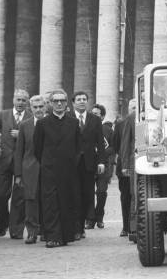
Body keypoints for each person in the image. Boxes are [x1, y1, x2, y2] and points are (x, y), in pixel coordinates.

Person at [34, 89, 81, 248]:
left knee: (66, 202)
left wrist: (71, 163)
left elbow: (77, 147)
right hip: (49, 170)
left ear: (66, 103)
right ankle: (53, 237)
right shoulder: (42, 123)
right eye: (56, 101)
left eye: (62, 101)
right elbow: (37, 148)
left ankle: (66, 235)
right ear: (51, 104)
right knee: (50, 204)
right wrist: (48, 163)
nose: (59, 103)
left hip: (68, 171)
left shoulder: (74, 123)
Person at [0, 89, 32, 238]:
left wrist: (22, 134)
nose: (20, 103)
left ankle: (16, 229)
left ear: (27, 102)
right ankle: (3, 224)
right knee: (1, 195)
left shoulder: (31, 117)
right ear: (13, 100)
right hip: (3, 160)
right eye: (18, 99)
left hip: (22, 161)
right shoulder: (3, 114)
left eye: (24, 100)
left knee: (19, 197)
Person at [71, 91, 105, 236]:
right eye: (78, 99)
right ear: (73, 102)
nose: (82, 101)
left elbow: (100, 143)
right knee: (73, 194)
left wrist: (102, 161)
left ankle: (83, 224)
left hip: (89, 163)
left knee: (87, 194)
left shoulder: (94, 120)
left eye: (84, 99)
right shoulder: (67, 117)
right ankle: (76, 227)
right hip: (71, 163)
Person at [14, 95, 46, 244]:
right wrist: (18, 174)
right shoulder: (25, 125)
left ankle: (46, 231)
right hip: (30, 169)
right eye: (35, 107)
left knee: (48, 200)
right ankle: (32, 232)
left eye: (41, 107)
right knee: (30, 200)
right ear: (30, 108)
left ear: (45, 107)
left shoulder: (51, 122)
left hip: (48, 168)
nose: (38, 110)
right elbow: (19, 151)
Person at [89, 104, 115, 229]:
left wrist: (101, 152)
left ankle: (99, 217)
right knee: (88, 193)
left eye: (97, 114)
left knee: (101, 192)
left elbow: (114, 147)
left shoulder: (108, 130)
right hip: (88, 165)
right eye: (92, 113)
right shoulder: (86, 128)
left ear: (103, 116)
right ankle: (90, 219)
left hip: (104, 166)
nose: (94, 116)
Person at [114, 99, 136, 237]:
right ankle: (126, 226)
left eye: (136, 107)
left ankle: (135, 226)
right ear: (128, 108)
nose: (134, 109)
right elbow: (118, 145)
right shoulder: (121, 123)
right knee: (126, 197)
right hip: (126, 166)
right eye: (132, 107)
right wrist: (124, 164)